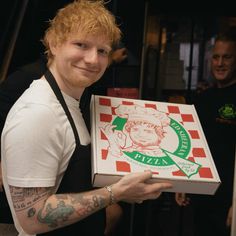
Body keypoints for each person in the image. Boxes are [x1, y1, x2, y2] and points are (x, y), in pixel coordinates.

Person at [1, 1, 172, 235]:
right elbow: (33, 217)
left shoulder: (73, 102)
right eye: (81, 45)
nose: (93, 59)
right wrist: (116, 193)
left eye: (102, 50)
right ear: (54, 43)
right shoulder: (38, 112)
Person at [176, 30, 236, 236]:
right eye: (216, 57)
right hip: (202, 196)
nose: (220, 63)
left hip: (230, 200)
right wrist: (182, 182)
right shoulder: (202, 99)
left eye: (227, 57)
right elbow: (192, 144)